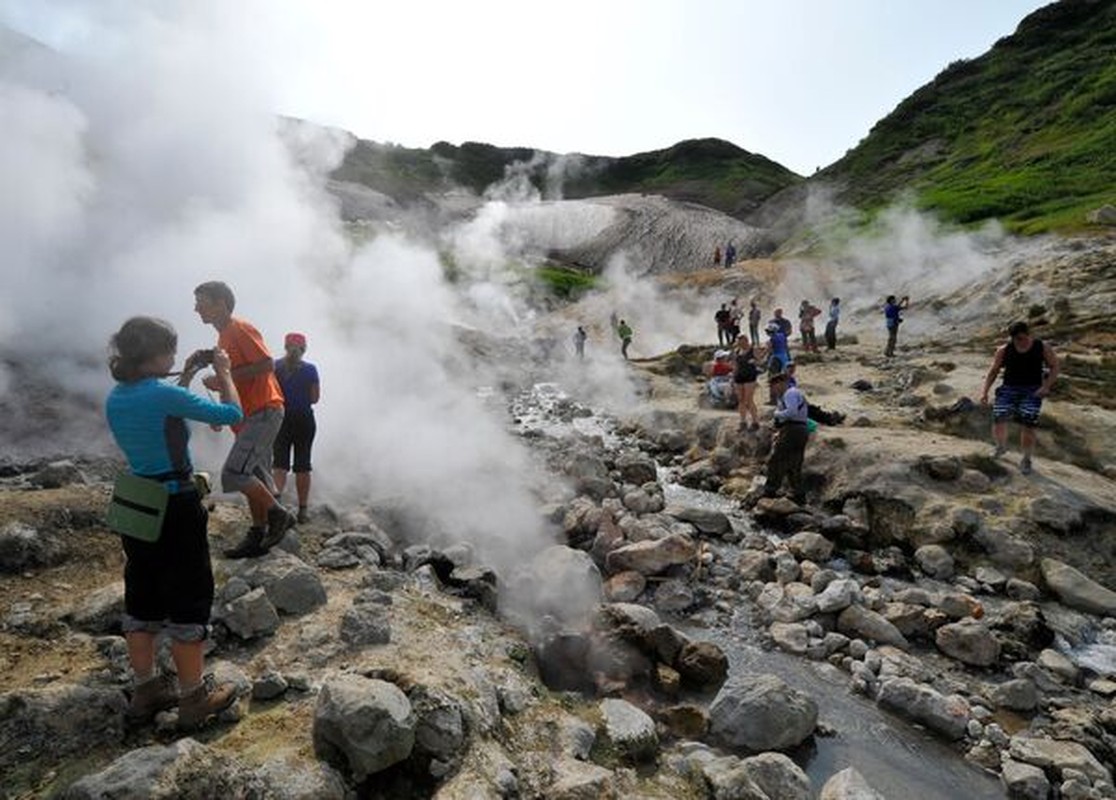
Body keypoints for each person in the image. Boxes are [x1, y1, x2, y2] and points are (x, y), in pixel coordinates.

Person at [105, 316, 243, 730]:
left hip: (136, 503)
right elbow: (231, 411)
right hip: (176, 506)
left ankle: (146, 689)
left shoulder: (118, 396)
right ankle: (193, 698)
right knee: (189, 596)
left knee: (142, 594)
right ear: (155, 354)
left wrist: (185, 375)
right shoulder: (160, 395)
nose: (174, 357)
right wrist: (224, 372)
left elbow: (164, 408)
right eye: (171, 351)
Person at [193, 281, 296, 558]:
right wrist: (222, 411)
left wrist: (222, 377)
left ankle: (279, 514)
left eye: (201, 302)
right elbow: (233, 384)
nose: (196, 308)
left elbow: (265, 364)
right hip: (251, 416)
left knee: (234, 474)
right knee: (253, 476)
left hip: (264, 410)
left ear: (221, 304)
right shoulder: (223, 337)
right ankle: (257, 536)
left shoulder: (239, 329)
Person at [979, 320, 1060, 475]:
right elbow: (993, 371)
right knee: (998, 418)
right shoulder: (1004, 350)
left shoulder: (1042, 347)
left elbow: (1055, 366)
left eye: (1022, 338)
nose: (1020, 342)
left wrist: (1046, 386)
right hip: (1009, 388)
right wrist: (985, 391)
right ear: (1011, 338)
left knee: (1028, 425)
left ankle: (1026, 459)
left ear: (1029, 334)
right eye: (1016, 339)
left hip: (1033, 390)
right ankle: (1000, 447)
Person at [272, 332, 321, 523]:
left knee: (279, 465)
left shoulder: (275, 367)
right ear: (304, 349)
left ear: (285, 347)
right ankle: (302, 511)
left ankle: (275, 507)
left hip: (281, 418)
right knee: (303, 465)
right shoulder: (310, 370)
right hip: (304, 420)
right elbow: (315, 398)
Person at [763, 371, 809, 505]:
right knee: (794, 464)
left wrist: (777, 413)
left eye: (773, 386)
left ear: (781, 383)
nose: (772, 389)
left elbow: (791, 412)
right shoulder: (786, 395)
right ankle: (799, 495)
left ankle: (770, 491)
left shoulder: (790, 393)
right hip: (799, 430)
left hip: (793, 430)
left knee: (777, 460)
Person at [733, 335, 762, 431]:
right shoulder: (737, 351)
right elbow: (735, 365)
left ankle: (755, 421)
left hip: (750, 376)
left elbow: (760, 362)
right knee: (741, 400)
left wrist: (754, 361)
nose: (740, 344)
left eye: (741, 342)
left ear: (746, 341)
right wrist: (733, 376)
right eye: (738, 342)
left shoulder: (753, 349)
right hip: (738, 376)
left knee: (749, 399)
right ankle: (743, 421)